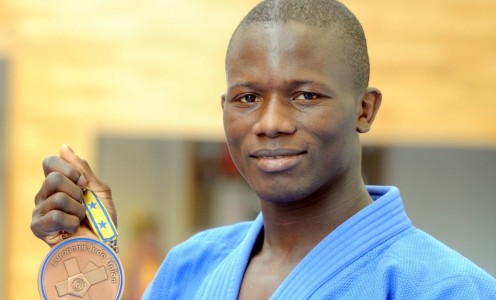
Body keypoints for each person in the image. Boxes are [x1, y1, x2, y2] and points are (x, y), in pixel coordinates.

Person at [31, 0, 496, 299]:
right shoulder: (190, 266)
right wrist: (88, 261)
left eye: (306, 95)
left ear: (365, 110)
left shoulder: (444, 287)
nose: (270, 123)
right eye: (247, 98)